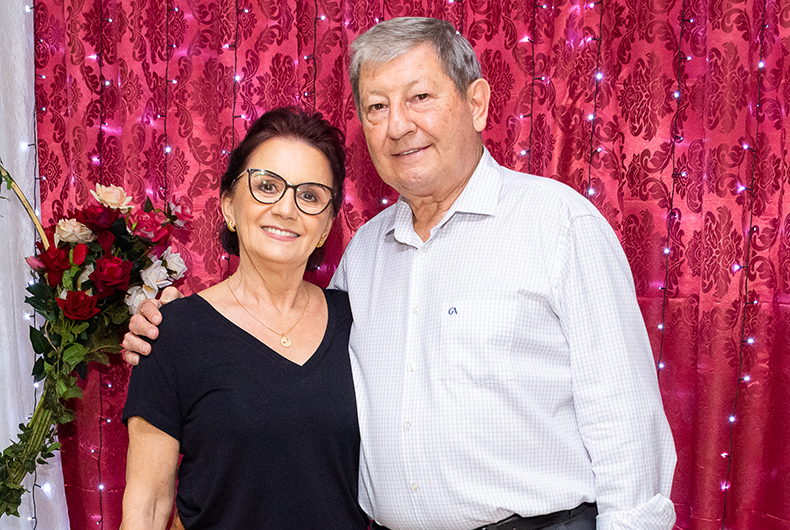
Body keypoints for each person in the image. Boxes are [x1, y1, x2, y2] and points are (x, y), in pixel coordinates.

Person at [124, 17, 677, 530]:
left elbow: (626, 424)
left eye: (420, 98)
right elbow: (273, 371)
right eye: (377, 106)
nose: (398, 125)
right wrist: (168, 330)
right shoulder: (365, 256)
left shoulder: (557, 225)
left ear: (477, 103)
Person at [120, 107, 369, 530]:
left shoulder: (359, 322)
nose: (286, 209)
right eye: (267, 186)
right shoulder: (171, 333)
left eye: (310, 196)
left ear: (327, 226)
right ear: (229, 206)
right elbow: (147, 508)